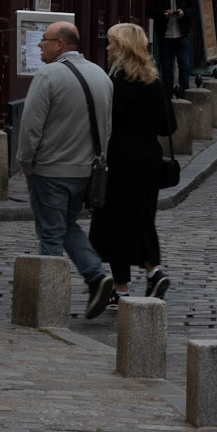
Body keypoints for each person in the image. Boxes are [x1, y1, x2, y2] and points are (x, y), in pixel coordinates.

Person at [17, 20, 115, 318]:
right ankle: (96, 276)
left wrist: (25, 162)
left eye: (44, 39)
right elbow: (107, 127)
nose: (39, 44)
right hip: (85, 170)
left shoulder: (47, 76)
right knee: (67, 225)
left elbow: (30, 126)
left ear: (60, 44)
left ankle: (49, 305)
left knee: (50, 234)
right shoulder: (101, 75)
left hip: (50, 170)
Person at [89, 22, 177, 303]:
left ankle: (121, 288)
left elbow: (103, 123)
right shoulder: (155, 82)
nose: (107, 48)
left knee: (115, 221)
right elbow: (168, 126)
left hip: (119, 157)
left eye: (111, 43)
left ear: (123, 48)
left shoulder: (113, 83)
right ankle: (154, 272)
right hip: (148, 157)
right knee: (141, 217)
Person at [145, 0, 202, 97]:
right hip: (165, 35)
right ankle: (167, 96)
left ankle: (184, 94)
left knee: (184, 65)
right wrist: (163, 14)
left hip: (182, 34)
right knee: (166, 68)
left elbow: (195, 8)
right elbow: (149, 11)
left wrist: (184, 13)